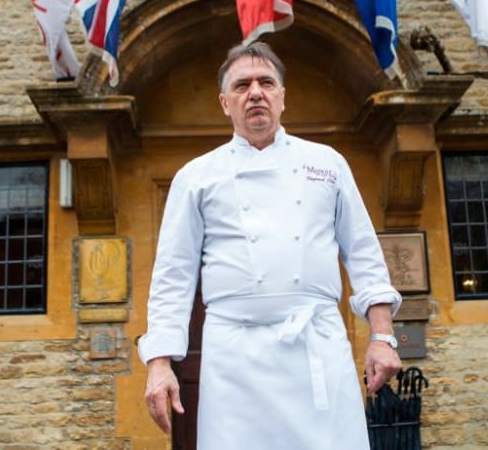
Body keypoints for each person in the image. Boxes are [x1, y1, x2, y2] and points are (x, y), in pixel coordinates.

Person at [138, 41, 402, 449]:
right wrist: (159, 365)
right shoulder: (196, 177)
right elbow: (173, 277)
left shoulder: (327, 164)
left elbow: (364, 253)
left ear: (282, 96)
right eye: (242, 85)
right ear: (225, 102)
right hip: (234, 361)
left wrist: (382, 337)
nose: (255, 92)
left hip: (317, 345)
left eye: (266, 82)